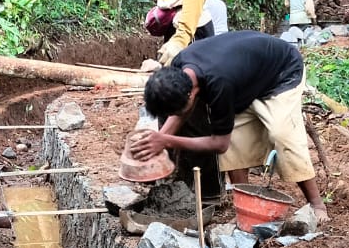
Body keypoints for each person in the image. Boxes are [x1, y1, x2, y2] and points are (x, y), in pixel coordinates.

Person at [130, 31, 329, 223]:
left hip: (282, 73)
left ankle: (317, 205)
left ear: (190, 95)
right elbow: (182, 113)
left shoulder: (218, 84)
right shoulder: (179, 68)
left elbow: (219, 144)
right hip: (246, 77)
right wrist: (158, 142)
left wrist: (165, 140)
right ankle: (245, 206)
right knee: (237, 144)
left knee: (283, 135)